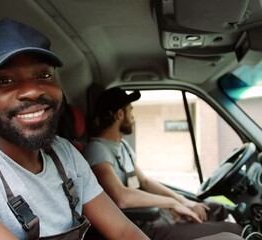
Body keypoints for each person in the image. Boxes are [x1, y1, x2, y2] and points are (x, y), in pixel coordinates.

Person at [0, 18, 148, 240]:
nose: (33, 91)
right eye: (5, 80)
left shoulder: (65, 153)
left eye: (44, 75)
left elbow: (124, 232)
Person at [83, 87, 244, 240]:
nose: (133, 117)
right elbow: (121, 197)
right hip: (138, 224)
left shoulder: (122, 145)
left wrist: (183, 201)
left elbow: (144, 181)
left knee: (215, 209)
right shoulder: (97, 149)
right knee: (234, 232)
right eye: (130, 111)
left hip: (151, 214)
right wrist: (172, 203)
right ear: (119, 114)